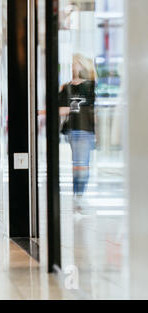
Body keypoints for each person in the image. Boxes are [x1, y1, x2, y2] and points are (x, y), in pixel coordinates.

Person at [58, 53, 96, 212]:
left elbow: (95, 110)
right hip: (73, 129)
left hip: (86, 128)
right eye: (72, 63)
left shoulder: (91, 86)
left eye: (75, 63)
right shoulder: (67, 87)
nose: (73, 66)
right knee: (79, 164)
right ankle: (78, 196)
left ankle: (78, 196)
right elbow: (61, 109)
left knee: (81, 165)